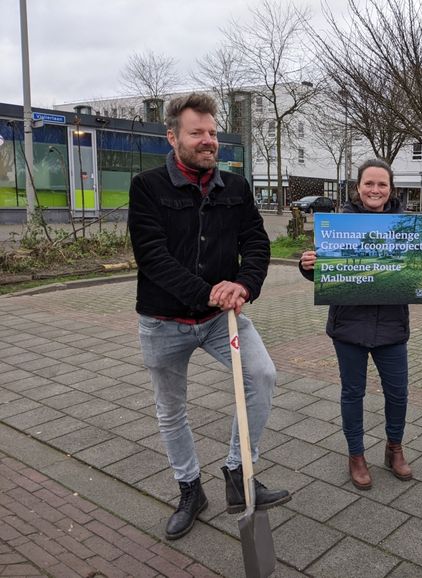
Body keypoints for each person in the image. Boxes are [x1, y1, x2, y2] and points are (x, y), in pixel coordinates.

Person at [128, 93, 289, 540]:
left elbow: (257, 243)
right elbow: (152, 257)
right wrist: (209, 293)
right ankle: (189, 489)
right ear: (173, 136)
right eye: (197, 132)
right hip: (164, 322)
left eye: (212, 133)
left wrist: (242, 285)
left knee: (262, 375)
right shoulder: (147, 187)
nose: (208, 141)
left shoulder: (235, 189)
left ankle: (239, 476)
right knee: (171, 410)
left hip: (223, 320)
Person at [299, 159, 422, 489]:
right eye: (369, 183)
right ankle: (356, 455)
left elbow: (419, 271)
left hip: (392, 326)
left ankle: (394, 448)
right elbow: (325, 270)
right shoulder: (338, 226)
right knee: (352, 393)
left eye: (382, 184)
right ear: (358, 188)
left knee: (398, 393)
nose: (375, 190)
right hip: (348, 326)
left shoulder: (409, 227)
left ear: (391, 189)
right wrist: (309, 265)